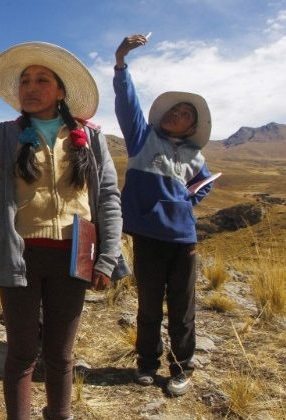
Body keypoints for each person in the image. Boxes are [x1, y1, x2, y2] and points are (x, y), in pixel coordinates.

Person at [0, 41, 125, 420]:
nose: (30, 86)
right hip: (19, 255)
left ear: (61, 91)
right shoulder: (6, 134)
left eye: (42, 79)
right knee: (22, 351)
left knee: (60, 354)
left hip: (74, 257)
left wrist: (108, 257)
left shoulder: (90, 138)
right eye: (25, 80)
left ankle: (59, 415)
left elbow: (107, 196)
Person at [114, 34, 214, 397]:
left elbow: (206, 185)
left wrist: (188, 201)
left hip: (183, 242)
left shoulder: (196, 157)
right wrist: (121, 62)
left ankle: (181, 368)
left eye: (185, 114)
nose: (177, 114)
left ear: (190, 128)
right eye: (174, 110)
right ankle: (146, 363)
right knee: (148, 305)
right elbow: (128, 106)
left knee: (183, 310)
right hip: (149, 239)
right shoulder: (142, 138)